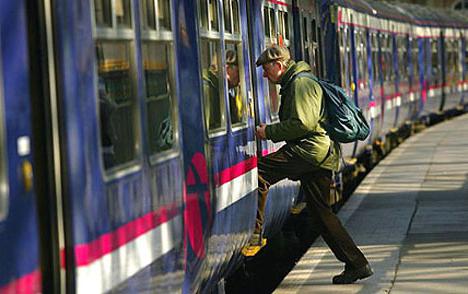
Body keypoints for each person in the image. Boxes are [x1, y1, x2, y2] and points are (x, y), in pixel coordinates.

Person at [251, 44, 373, 284]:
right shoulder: (297, 82)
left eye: (266, 69)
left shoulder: (300, 84)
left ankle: (255, 232)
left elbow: (303, 124)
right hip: (317, 154)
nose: (265, 75)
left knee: (260, 171)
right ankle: (357, 263)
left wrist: (269, 132)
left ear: (279, 65)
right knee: (320, 214)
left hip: (309, 153)